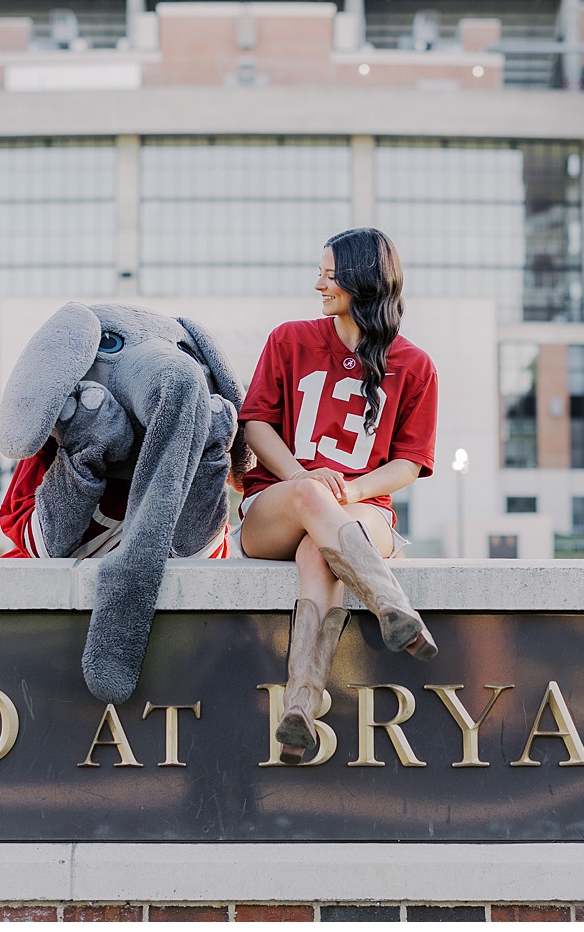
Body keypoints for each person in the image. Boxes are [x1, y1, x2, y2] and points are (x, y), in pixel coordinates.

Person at [238, 227, 441, 764]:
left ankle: (300, 705)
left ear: (362, 280)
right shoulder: (290, 339)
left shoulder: (414, 365)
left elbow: (410, 462)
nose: (318, 284)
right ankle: (391, 604)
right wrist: (303, 477)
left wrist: (348, 488)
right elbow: (254, 424)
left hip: (361, 510)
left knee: (318, 552)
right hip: (276, 508)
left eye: (329, 275)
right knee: (310, 503)